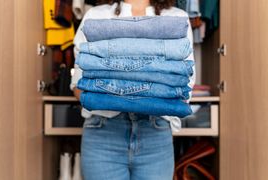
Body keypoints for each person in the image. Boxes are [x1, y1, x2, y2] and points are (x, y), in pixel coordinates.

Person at [70, 0, 194, 179]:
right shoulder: (96, 17)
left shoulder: (176, 20)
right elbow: (79, 86)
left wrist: (116, 92)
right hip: (103, 136)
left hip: (155, 137)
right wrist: (142, 95)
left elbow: (184, 85)